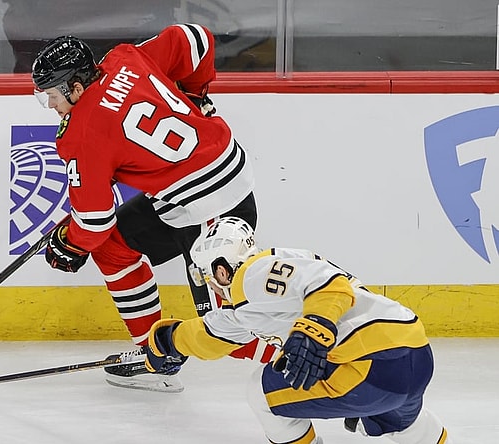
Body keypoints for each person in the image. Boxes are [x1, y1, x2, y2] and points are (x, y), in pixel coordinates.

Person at [31, 24, 272, 393]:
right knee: (115, 248)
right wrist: (197, 94)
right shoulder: (124, 58)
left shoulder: (81, 133)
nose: (50, 105)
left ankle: (324, 361)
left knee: (225, 329)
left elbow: (93, 223)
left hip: (210, 211)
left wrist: (71, 243)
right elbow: (194, 39)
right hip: (209, 180)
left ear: (76, 87)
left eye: (51, 95)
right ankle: (155, 354)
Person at [144, 217, 451, 443]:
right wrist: (168, 342)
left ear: (221, 269)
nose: (209, 284)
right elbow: (217, 333)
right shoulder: (258, 298)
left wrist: (312, 330)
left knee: (260, 391)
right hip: (415, 355)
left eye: (206, 275)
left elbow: (331, 287)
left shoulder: (252, 274)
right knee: (405, 425)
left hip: (371, 366)